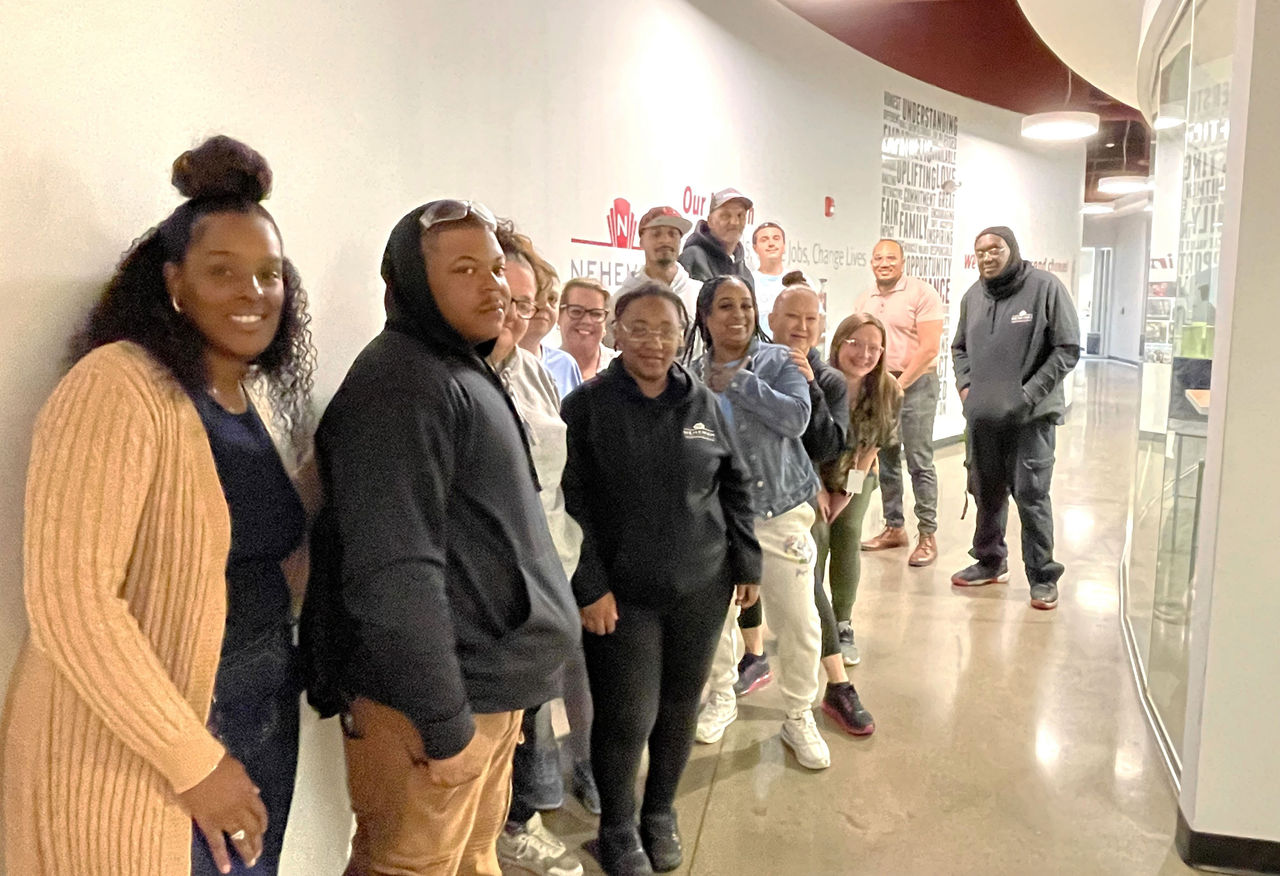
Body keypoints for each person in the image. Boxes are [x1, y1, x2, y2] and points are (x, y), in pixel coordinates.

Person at [3, 135, 316, 876]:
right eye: (224, 272)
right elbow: (71, 599)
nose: (254, 292)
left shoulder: (250, 398)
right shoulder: (117, 387)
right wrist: (193, 761)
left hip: (258, 720)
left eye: (270, 274)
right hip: (146, 750)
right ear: (175, 284)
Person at [304, 200, 579, 874]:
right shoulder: (402, 384)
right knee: (410, 864)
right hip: (436, 708)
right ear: (407, 283)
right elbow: (395, 571)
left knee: (473, 854)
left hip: (490, 688)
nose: (492, 286)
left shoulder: (461, 366)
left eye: (493, 267)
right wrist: (444, 720)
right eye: (464, 269)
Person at [563, 280, 761, 875]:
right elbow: (571, 504)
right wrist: (589, 584)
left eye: (667, 329)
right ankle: (618, 828)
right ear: (616, 332)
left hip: (702, 586)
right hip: (622, 598)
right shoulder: (587, 408)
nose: (654, 342)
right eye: (639, 328)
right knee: (627, 716)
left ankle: (659, 814)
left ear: (684, 334)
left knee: (679, 708)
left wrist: (747, 563)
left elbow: (735, 486)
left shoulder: (705, 404)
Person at [688, 276, 830, 771]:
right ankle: (722, 695)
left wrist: (741, 382)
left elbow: (796, 419)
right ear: (705, 316)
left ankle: (797, 714)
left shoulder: (778, 361)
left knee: (799, 621)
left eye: (746, 305)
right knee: (718, 621)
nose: (738, 315)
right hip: (717, 519)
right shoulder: (689, 374)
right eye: (725, 306)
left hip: (779, 514)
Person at [489, 223, 588, 876]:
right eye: (515, 303)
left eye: (532, 303)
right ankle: (514, 823)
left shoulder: (536, 370)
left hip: (556, 560)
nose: (527, 315)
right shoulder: (473, 376)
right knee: (511, 713)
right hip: (509, 578)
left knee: (534, 707)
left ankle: (523, 811)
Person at [735, 285, 875, 735]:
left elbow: (851, 445)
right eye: (792, 317)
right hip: (791, 490)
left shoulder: (843, 383)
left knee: (825, 568)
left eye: (812, 319)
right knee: (751, 573)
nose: (864, 355)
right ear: (770, 318)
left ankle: (838, 672)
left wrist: (842, 493)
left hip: (842, 483)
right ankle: (754, 655)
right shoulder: (757, 363)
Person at [951, 226, 1080, 609]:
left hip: (1031, 418)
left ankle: (1042, 576)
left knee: (1030, 494)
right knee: (985, 491)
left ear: (1012, 249)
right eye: (981, 251)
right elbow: (958, 347)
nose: (988, 256)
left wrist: (1029, 394)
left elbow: (1067, 348)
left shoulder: (1044, 288)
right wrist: (966, 389)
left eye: (996, 248)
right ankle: (989, 561)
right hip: (984, 418)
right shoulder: (973, 296)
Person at [817, 314, 902, 681]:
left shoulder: (888, 391)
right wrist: (819, 490)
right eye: (856, 344)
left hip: (857, 476)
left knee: (848, 533)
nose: (865, 354)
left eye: (874, 347)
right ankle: (813, 621)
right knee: (815, 540)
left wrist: (846, 494)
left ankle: (843, 622)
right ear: (838, 343)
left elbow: (872, 448)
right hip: (813, 476)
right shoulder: (817, 383)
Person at [854, 239, 946, 567]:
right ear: (871, 263)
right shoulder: (865, 299)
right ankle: (894, 527)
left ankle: (927, 535)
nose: (884, 263)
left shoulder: (922, 294)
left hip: (916, 385)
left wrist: (899, 384)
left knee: (919, 460)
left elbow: (929, 348)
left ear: (902, 262)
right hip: (880, 385)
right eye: (878, 257)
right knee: (887, 459)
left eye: (891, 257)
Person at [609, 206, 701, 344]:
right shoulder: (620, 300)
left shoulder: (699, 294)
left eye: (672, 234)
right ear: (641, 242)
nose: (665, 240)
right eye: (656, 234)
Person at [518, 252, 583, 399]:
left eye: (552, 298)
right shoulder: (496, 364)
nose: (544, 305)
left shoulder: (566, 364)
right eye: (536, 296)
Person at [678, 189, 755, 292]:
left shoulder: (745, 272)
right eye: (725, 216)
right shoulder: (692, 258)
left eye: (740, 216)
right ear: (710, 221)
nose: (734, 222)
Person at [559, 277, 617, 381]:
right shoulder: (541, 370)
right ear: (558, 316)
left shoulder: (625, 369)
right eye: (576, 311)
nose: (587, 321)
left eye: (596, 314)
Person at [751, 222, 788, 317]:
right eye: (764, 240)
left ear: (784, 246)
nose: (771, 244)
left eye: (776, 239)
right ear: (755, 248)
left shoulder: (800, 281)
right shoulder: (748, 281)